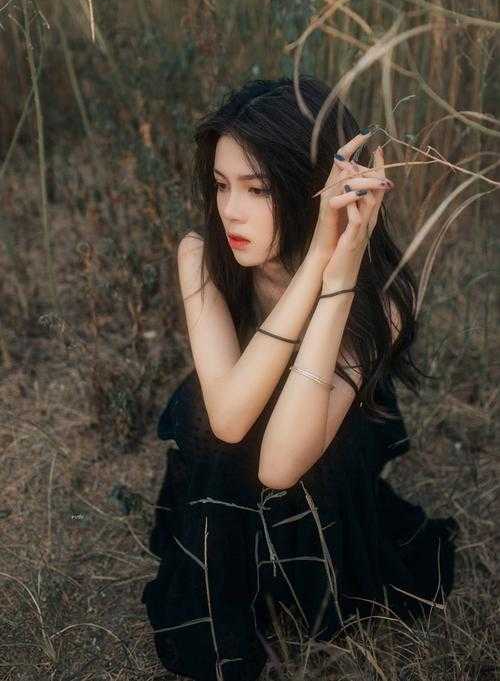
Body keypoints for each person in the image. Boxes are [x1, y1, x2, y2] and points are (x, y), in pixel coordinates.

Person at [141, 76, 459, 681]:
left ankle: (298, 588)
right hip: (228, 438)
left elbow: (281, 465)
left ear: (311, 189)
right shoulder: (201, 255)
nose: (229, 210)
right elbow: (230, 418)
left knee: (280, 455)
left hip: (317, 454)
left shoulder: (381, 300)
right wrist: (316, 259)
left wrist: (336, 279)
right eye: (221, 185)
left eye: (257, 189)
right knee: (219, 435)